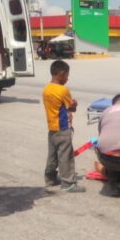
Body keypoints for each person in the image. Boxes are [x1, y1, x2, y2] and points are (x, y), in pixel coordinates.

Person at [43, 60, 85, 193]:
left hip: (52, 128)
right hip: (63, 128)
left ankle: (49, 178)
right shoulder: (63, 90)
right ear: (61, 74)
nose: (68, 78)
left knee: (52, 154)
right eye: (67, 75)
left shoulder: (47, 88)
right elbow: (71, 108)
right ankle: (68, 183)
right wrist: (75, 104)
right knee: (65, 156)